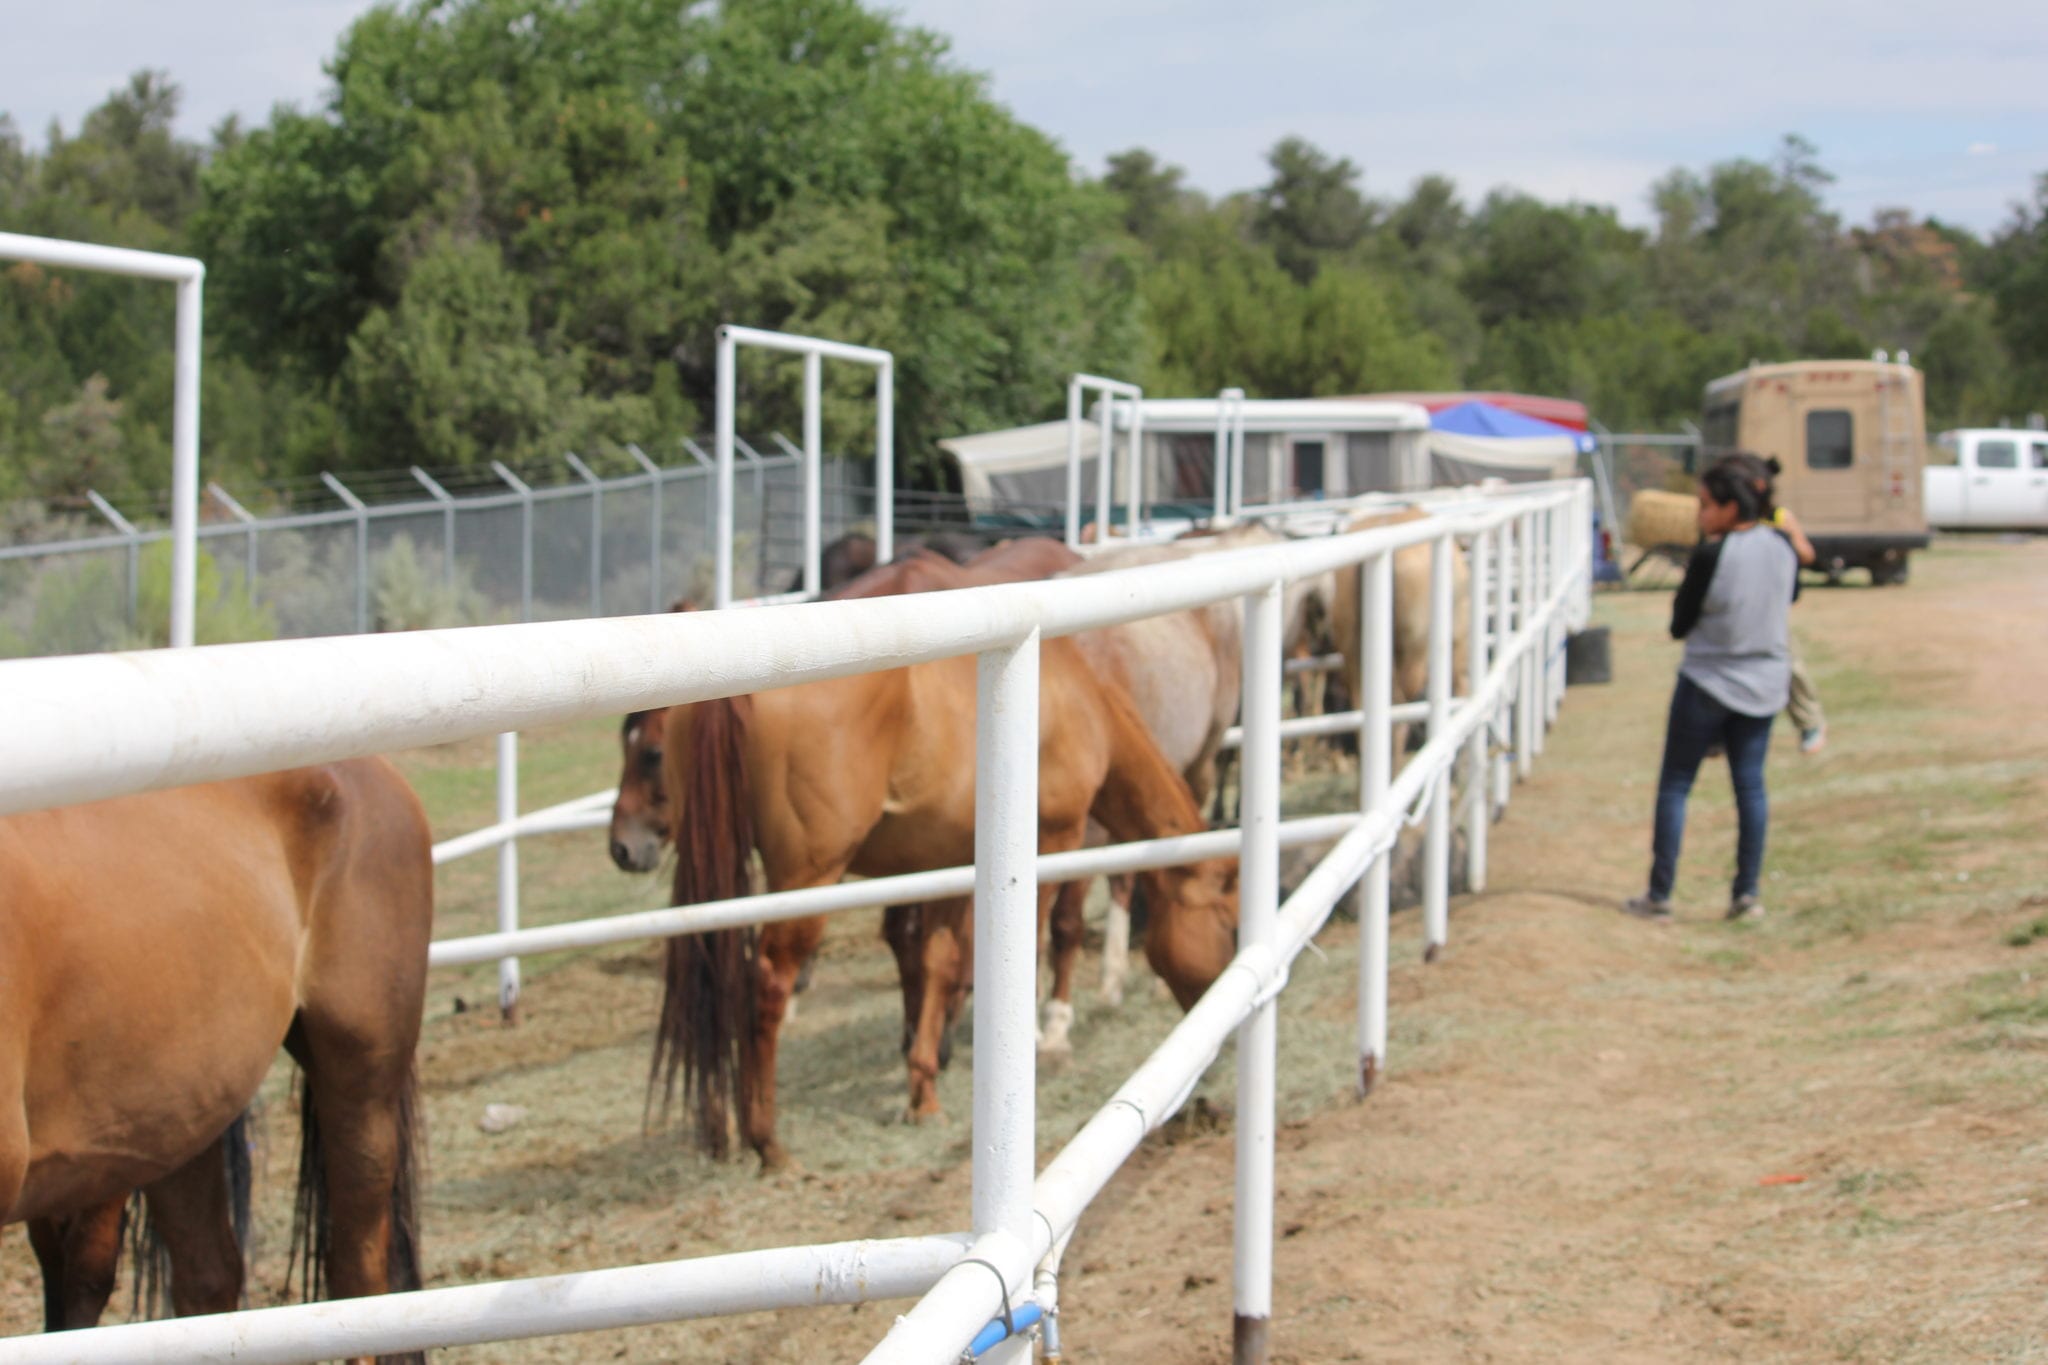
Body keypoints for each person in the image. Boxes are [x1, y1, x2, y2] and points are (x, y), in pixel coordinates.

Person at [1625, 454, 1801, 922]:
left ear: (1728, 507)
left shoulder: (1712, 554)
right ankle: (1747, 893)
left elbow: (1680, 625)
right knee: (1751, 788)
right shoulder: (1783, 546)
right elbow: (1791, 593)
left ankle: (1660, 894)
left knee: (1676, 786)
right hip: (1763, 684)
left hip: (1707, 681)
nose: (1700, 515)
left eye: (1705, 505)